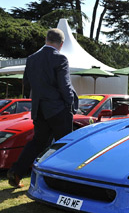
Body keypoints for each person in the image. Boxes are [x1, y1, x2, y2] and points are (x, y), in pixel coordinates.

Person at [7, 28, 78, 188]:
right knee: (64, 144)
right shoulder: (60, 59)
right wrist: (70, 105)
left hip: (39, 109)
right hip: (58, 108)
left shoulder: (32, 59)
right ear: (61, 44)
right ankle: (63, 181)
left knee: (37, 142)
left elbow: (26, 83)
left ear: (46, 40)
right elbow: (65, 86)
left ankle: (16, 172)